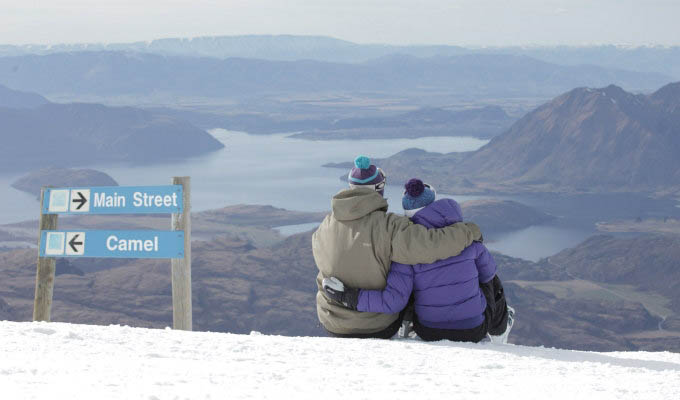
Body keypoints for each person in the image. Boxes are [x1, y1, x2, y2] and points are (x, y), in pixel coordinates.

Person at [323, 178, 514, 343]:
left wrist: (350, 297)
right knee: (491, 281)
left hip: (428, 330)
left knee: (407, 286)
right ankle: (500, 328)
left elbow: (393, 301)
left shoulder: (406, 253)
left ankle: (406, 326)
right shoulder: (470, 242)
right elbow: (489, 273)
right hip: (473, 329)